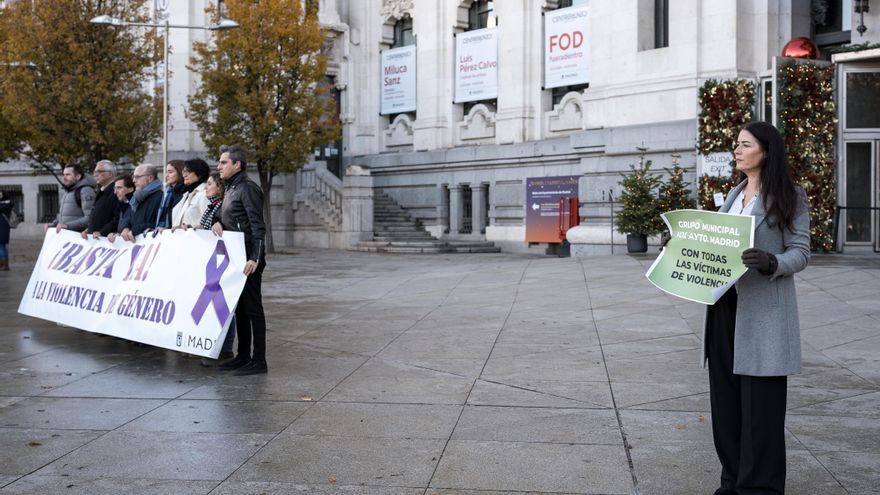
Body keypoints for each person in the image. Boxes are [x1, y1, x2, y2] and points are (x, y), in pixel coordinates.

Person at [705, 121, 810, 495]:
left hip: (763, 314)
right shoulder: (733, 195)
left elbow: (801, 252)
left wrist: (772, 262)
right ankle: (731, 482)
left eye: (744, 144)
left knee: (760, 413)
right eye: (736, 144)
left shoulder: (790, 196)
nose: (736, 150)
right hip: (723, 311)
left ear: (766, 151)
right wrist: (682, 245)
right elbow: (716, 246)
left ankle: (760, 488)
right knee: (727, 408)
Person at [212, 144, 268, 376]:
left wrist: (255, 257)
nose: (219, 166)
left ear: (237, 165)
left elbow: (257, 226)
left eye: (224, 162)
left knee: (253, 309)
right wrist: (217, 221)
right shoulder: (231, 188)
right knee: (240, 310)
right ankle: (243, 355)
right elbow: (227, 215)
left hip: (248, 260)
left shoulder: (247, 188)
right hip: (236, 259)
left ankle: (259, 360)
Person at [197, 172, 236, 366]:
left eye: (210, 183)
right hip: (209, 261)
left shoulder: (221, 207)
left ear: (220, 187)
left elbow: (224, 228)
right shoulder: (211, 207)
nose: (206, 187)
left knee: (222, 305)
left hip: (220, 261)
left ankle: (226, 348)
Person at [111, 164, 163, 242]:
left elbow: (159, 224)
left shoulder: (160, 197)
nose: (134, 180)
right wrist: (126, 227)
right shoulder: (137, 197)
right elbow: (131, 218)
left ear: (150, 178)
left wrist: (135, 230)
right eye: (133, 177)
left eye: (137, 177)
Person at [50, 164, 96, 232]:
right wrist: (54, 224)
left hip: (77, 238)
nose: (64, 178)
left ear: (78, 176)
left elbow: (90, 218)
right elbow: (67, 216)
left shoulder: (86, 190)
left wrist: (68, 226)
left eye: (68, 174)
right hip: (67, 236)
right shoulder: (68, 191)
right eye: (64, 174)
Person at [83, 160, 120, 239]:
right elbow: (99, 217)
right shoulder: (102, 192)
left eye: (99, 171)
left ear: (110, 174)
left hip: (107, 241)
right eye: (95, 172)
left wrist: (101, 232)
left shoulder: (116, 192)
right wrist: (88, 230)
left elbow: (117, 218)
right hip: (97, 240)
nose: (95, 174)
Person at [170, 158, 211, 228]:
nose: (184, 175)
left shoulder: (204, 194)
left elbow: (208, 223)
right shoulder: (187, 194)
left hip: (197, 237)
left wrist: (193, 228)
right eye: (184, 172)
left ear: (199, 174)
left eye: (188, 171)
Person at [155, 160, 186, 229]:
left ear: (180, 173)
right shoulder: (167, 192)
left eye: (170, 172)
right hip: (164, 233)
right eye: (166, 172)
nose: (166, 175)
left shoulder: (185, 192)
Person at [0, 191, 12, 271]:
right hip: (1, 228)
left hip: (3, 229)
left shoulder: (7, 204)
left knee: (2, 247)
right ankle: (2, 264)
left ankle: (5, 265)